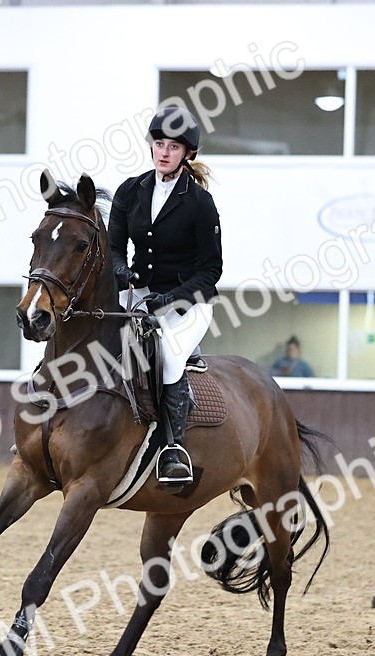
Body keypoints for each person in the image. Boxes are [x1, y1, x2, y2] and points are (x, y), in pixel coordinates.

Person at [108, 106, 222, 491]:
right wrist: (123, 275)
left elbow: (211, 270)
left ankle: (173, 450)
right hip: (140, 297)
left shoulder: (200, 204)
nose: (164, 152)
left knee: (169, 357)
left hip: (188, 303)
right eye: (159, 144)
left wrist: (171, 299)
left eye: (173, 147)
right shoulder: (131, 191)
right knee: (100, 342)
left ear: (187, 154)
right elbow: (113, 249)